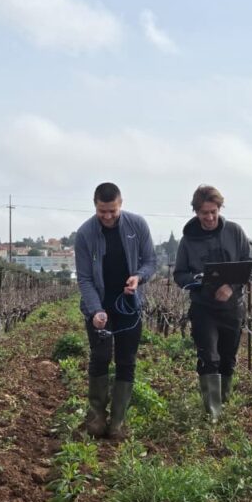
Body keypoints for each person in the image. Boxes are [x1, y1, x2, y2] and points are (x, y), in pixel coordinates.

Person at [74, 182, 156, 440]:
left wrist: (138, 278)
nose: (107, 217)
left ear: (120, 204)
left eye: (112, 211)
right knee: (99, 356)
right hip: (98, 305)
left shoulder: (137, 226)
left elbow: (151, 262)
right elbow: (85, 278)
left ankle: (118, 421)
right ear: (95, 206)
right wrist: (96, 311)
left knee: (126, 360)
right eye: (102, 212)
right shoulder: (85, 234)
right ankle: (96, 417)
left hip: (128, 306)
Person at [174, 185, 252, 421]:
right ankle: (213, 412)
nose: (209, 217)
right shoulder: (188, 240)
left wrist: (231, 287)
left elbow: (251, 266)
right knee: (209, 357)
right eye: (204, 213)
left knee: (227, 358)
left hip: (233, 308)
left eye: (213, 212)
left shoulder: (234, 232)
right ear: (196, 213)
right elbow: (179, 275)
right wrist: (198, 281)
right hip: (203, 309)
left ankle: (225, 401)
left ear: (219, 209)